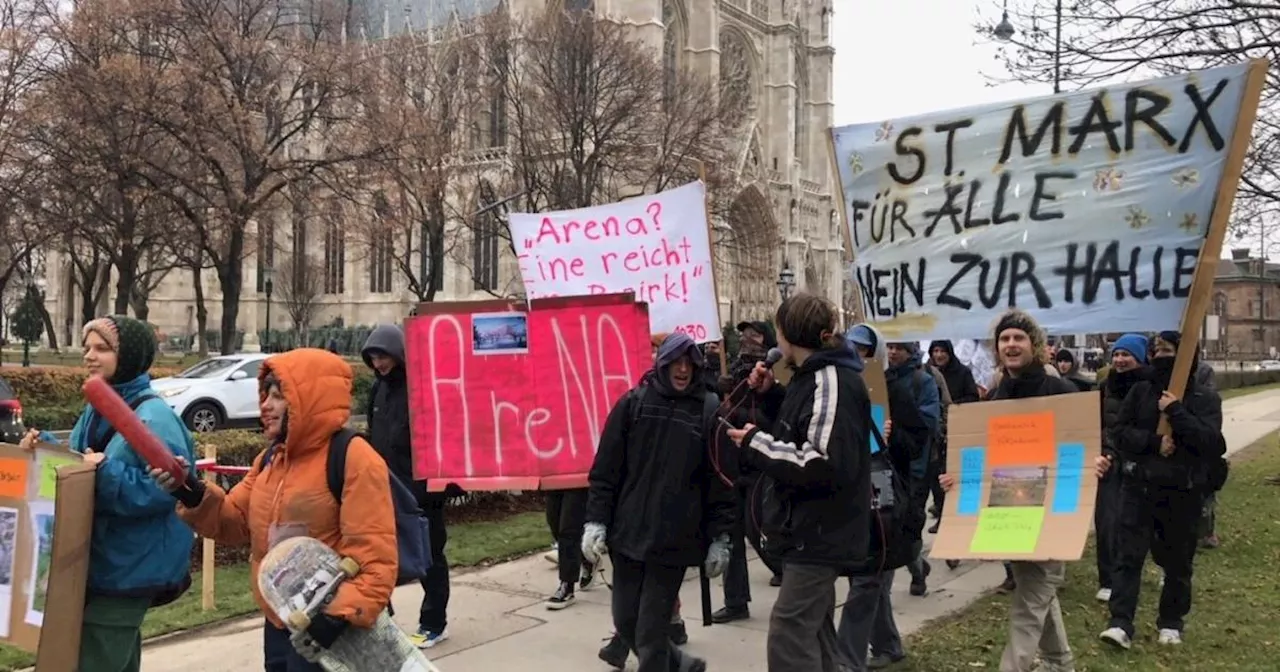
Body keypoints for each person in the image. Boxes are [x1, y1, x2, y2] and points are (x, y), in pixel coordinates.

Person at [152, 349, 397, 672]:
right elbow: (235, 523)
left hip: (333, 631)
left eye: (278, 396)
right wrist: (190, 490)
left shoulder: (353, 458)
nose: (265, 405)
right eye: (264, 394)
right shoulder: (270, 460)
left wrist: (335, 619)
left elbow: (374, 554)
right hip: (282, 623)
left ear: (308, 400)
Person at [20, 315, 196, 672]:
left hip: (133, 567)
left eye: (102, 348)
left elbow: (167, 491)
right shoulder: (97, 407)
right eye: (87, 347)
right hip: (104, 561)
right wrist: (47, 447)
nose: (89, 356)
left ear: (128, 356)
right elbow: (83, 459)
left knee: (94, 657)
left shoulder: (155, 417)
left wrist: (105, 471)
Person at [726, 294, 871, 672]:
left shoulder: (831, 379)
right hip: (806, 529)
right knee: (816, 632)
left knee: (789, 632)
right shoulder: (813, 378)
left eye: (778, 332)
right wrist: (771, 395)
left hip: (820, 533)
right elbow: (800, 428)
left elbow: (820, 460)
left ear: (790, 334)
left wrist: (755, 443)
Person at [583, 332, 735, 672]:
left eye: (689, 363)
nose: (683, 370)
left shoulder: (710, 413)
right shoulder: (632, 404)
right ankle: (681, 665)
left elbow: (722, 484)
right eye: (676, 363)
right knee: (626, 622)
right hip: (628, 536)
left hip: (674, 542)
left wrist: (720, 539)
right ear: (662, 364)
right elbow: (605, 471)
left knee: (650, 634)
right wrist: (596, 521)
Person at [939, 309, 1081, 672]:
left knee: (1029, 603)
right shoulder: (997, 397)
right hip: (1011, 513)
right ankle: (1060, 662)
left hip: (1049, 515)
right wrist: (958, 480)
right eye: (1004, 339)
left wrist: (1096, 466)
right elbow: (984, 457)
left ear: (1034, 345)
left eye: (1019, 338)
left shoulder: (1060, 392)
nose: (1011, 344)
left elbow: (1083, 448)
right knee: (1035, 591)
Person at [1098, 331, 1226, 650]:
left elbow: (1212, 443)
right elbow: (1120, 432)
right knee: (1128, 559)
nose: (1158, 356)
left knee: (1177, 563)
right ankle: (1120, 623)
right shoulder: (1141, 391)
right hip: (1139, 488)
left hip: (1182, 492)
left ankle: (1170, 622)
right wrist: (1153, 442)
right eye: (1155, 350)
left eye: (1167, 350)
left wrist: (1177, 413)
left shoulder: (1204, 398)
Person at [839, 326, 931, 669]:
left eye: (862, 349)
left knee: (868, 575)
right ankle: (888, 645)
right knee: (870, 575)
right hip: (851, 487)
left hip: (884, 491)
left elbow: (919, 440)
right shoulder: (841, 386)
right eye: (849, 347)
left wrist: (891, 437)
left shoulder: (893, 388)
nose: (854, 354)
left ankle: (846, 658)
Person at [361, 325, 452, 646]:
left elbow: (442, 436)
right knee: (380, 557)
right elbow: (374, 437)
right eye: (372, 357)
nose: (378, 364)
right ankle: (379, 618)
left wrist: (433, 488)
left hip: (422, 492)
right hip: (385, 490)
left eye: (382, 356)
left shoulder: (421, 389)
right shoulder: (378, 390)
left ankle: (434, 622)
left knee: (430, 558)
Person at [711, 328, 786, 624]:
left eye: (754, 335)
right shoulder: (734, 374)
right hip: (734, 470)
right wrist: (723, 391)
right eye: (744, 336)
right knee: (731, 534)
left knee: (761, 533)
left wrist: (750, 408)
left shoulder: (779, 379)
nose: (747, 340)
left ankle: (784, 570)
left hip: (764, 471)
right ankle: (735, 600)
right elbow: (721, 417)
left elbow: (776, 424)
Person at [1094, 334, 1149, 604]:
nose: (1119, 360)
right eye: (1116, 354)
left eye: (1126, 355)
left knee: (1141, 523)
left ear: (1139, 358)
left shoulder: (1151, 387)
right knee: (1107, 522)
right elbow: (1096, 423)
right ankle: (1108, 579)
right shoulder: (1105, 387)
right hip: (1109, 461)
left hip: (1142, 463)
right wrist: (1101, 452)